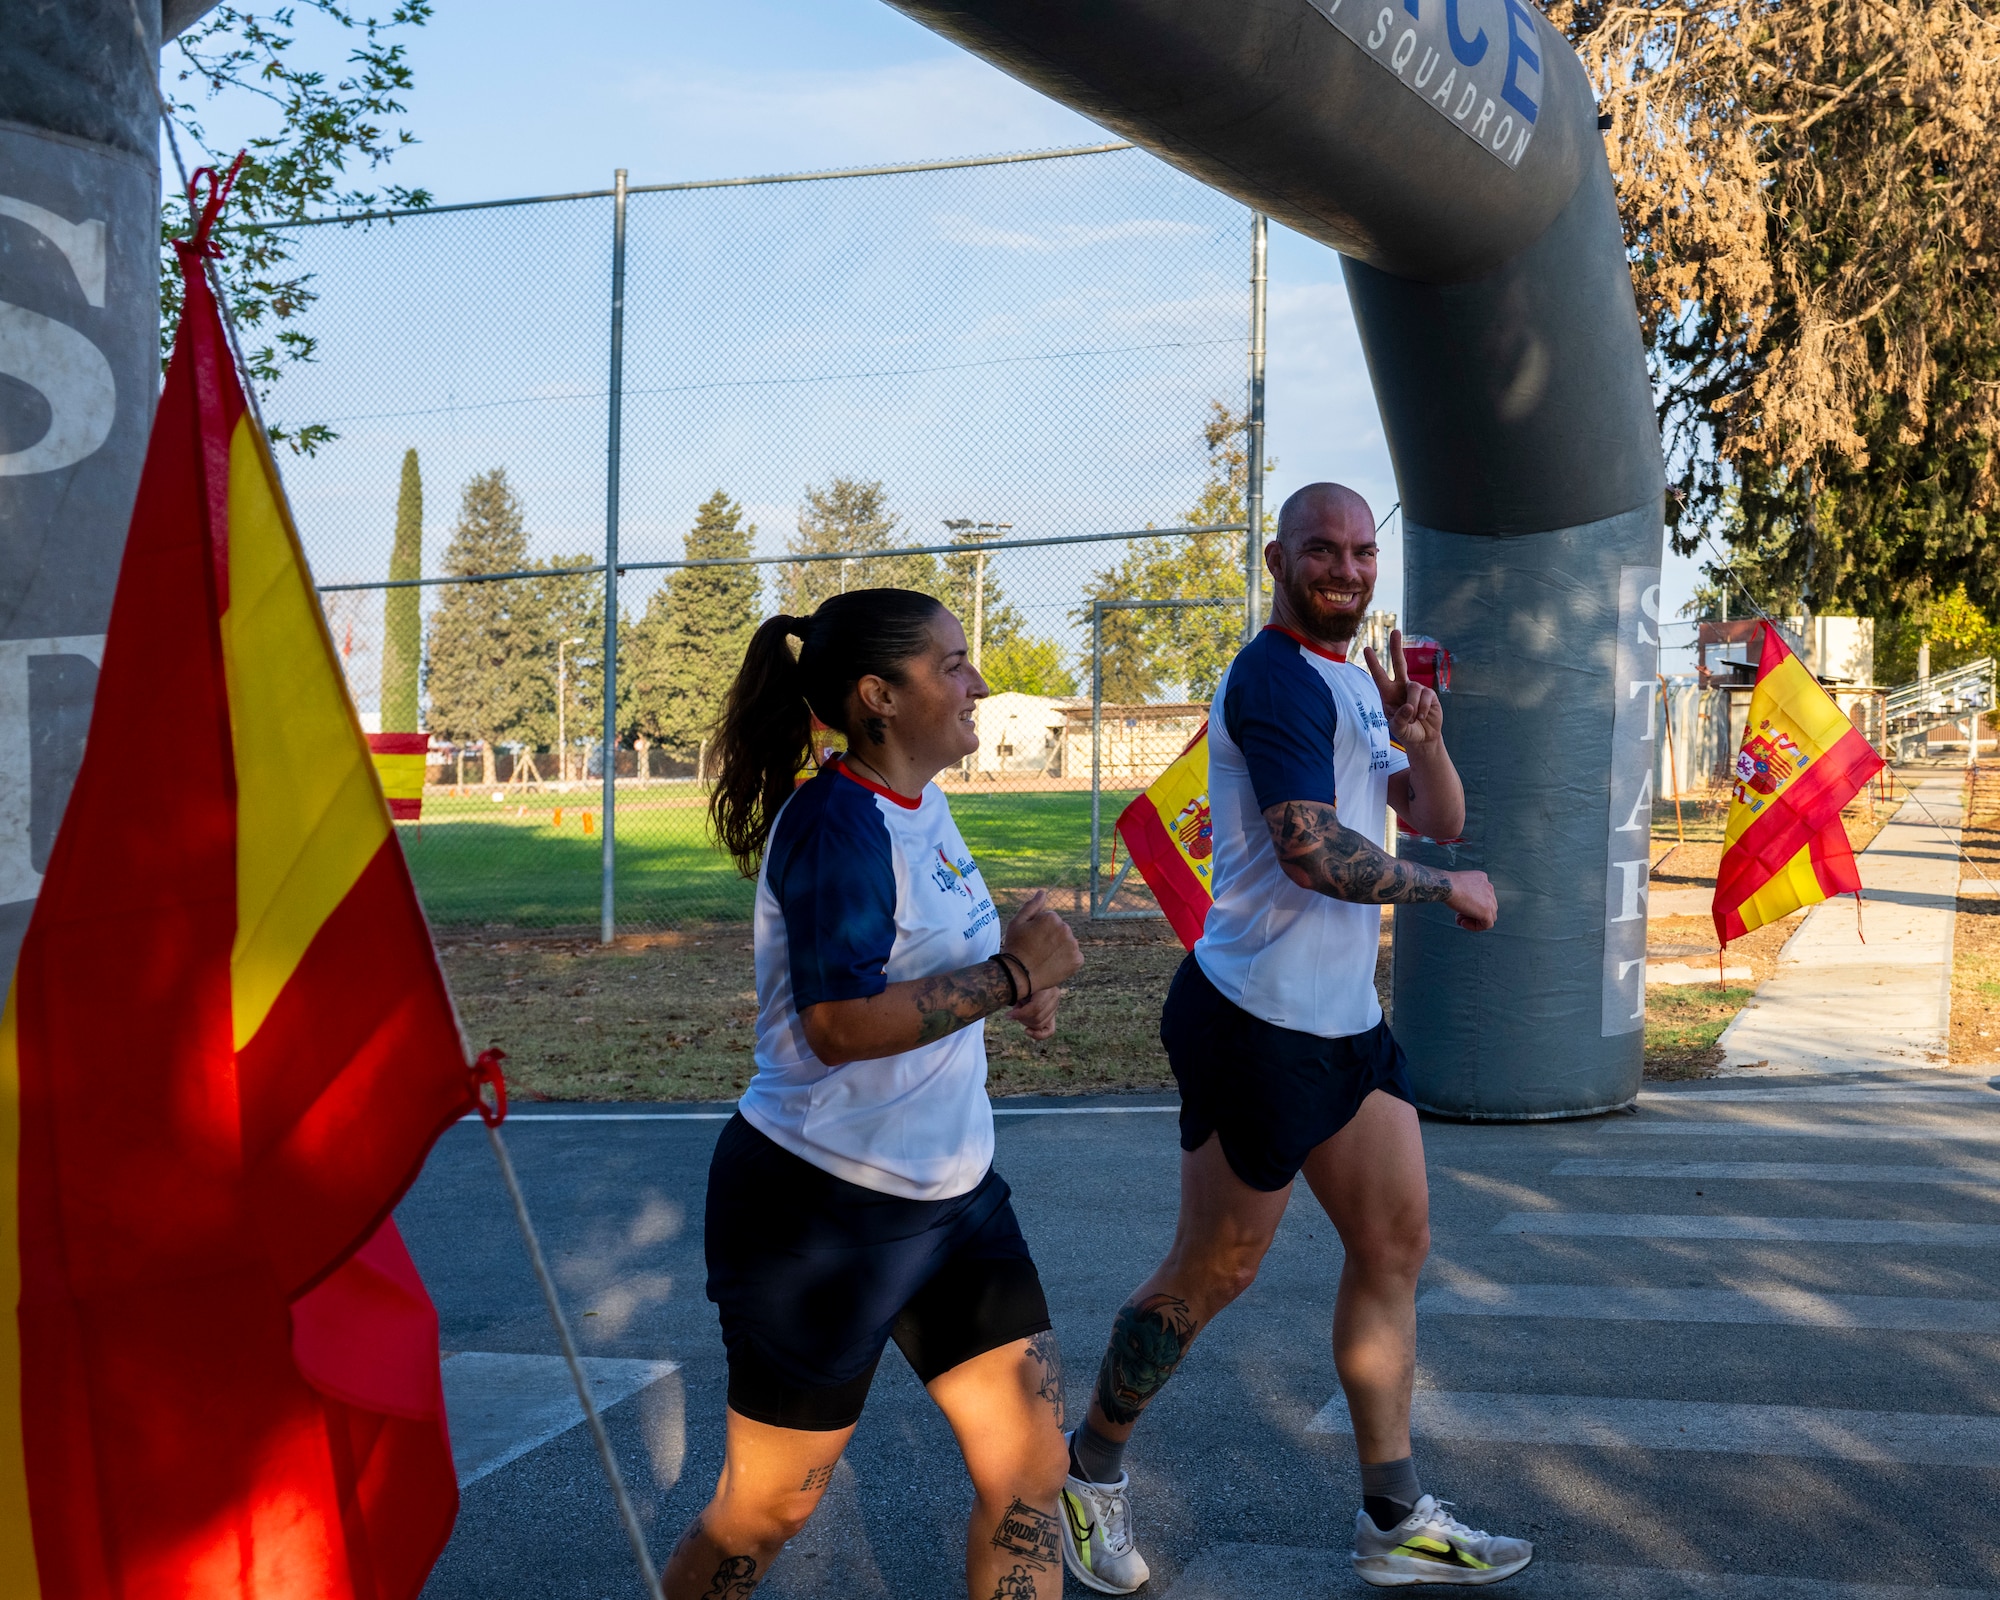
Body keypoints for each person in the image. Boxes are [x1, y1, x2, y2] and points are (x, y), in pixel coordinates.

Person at [1057, 484, 1532, 1591]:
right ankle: (1089, 1469)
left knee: (1393, 1247)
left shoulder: (1359, 683)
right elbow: (1315, 851)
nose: (1347, 568)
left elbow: (1437, 811)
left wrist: (1423, 740)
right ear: (1277, 557)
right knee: (1213, 1271)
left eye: (1363, 550)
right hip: (1254, 1026)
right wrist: (1442, 889)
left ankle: (1392, 1515)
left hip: (1344, 1027)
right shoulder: (1272, 675)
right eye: (1322, 549)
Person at [660, 588, 1085, 1600]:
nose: (975, 681)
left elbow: (923, 968)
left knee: (1029, 1473)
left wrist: (1012, 978)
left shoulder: (919, 803)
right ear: (875, 696)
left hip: (954, 1201)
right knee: (768, 1511)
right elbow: (839, 1024)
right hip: (820, 1211)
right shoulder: (834, 824)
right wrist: (1009, 976)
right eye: (950, 663)